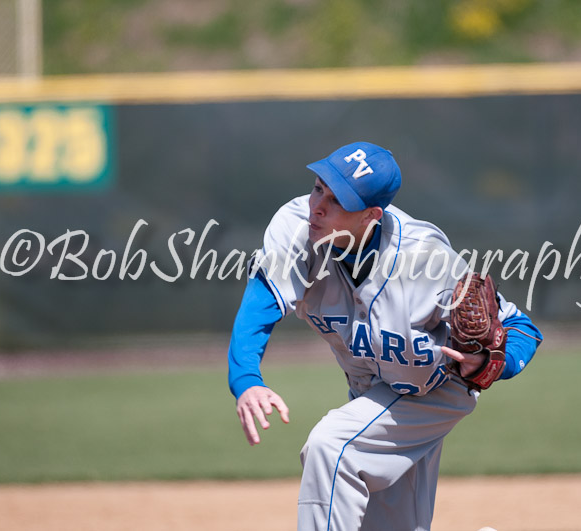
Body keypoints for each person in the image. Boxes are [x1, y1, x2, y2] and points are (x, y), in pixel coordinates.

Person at [227, 141, 542, 531]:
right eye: (318, 186)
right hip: (370, 391)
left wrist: (493, 362)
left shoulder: (426, 260)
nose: (318, 206)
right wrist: (246, 380)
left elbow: (521, 328)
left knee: (332, 447)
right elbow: (261, 302)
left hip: (433, 394)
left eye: (337, 200)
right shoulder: (297, 227)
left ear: (371, 216)